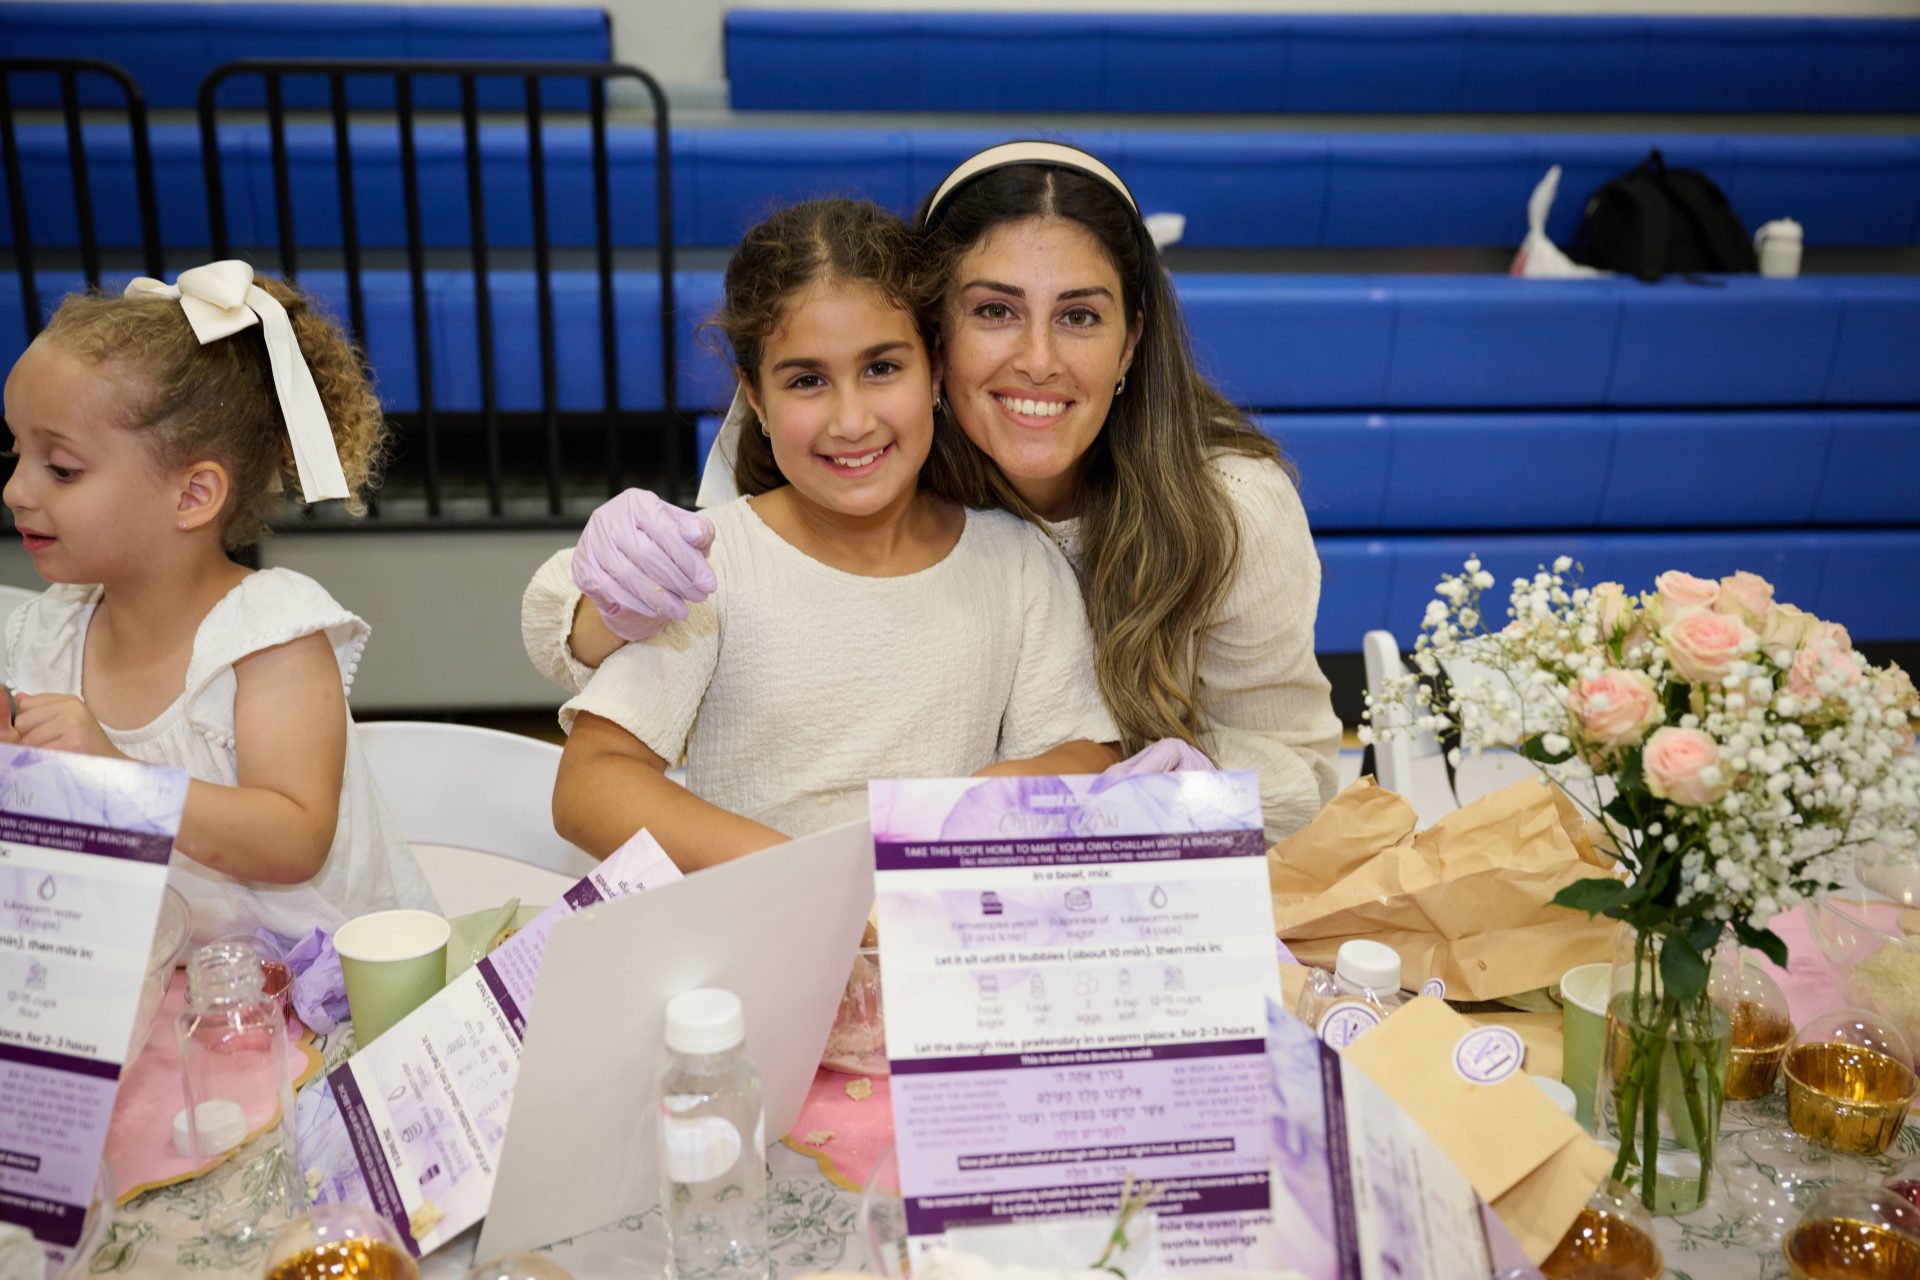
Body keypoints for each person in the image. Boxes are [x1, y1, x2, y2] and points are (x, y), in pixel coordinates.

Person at [527, 142, 1341, 843]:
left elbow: (1290, 765)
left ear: (1132, 341)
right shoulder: (876, 455)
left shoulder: (1223, 508)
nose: (1038, 360)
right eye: (994, 310)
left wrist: (1179, 804)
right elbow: (683, 582)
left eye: (1080, 318)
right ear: (936, 335)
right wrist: (606, 590)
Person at [544, 199, 1118, 870]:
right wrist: (807, 883)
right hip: (759, 944)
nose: (851, 421)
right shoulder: (710, 567)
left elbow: (1087, 749)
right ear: (755, 398)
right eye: (808, 380)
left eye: (881, 368)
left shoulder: (1016, 561)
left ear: (935, 370)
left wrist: (996, 799)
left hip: (940, 942)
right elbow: (590, 782)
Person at [1, 261, 433, 942]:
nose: (17, 491)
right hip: (148, 980)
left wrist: (117, 777)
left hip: (320, 986)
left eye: (61, 468)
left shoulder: (268, 635)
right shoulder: (44, 633)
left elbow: (293, 844)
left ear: (194, 495)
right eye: (14, 452)